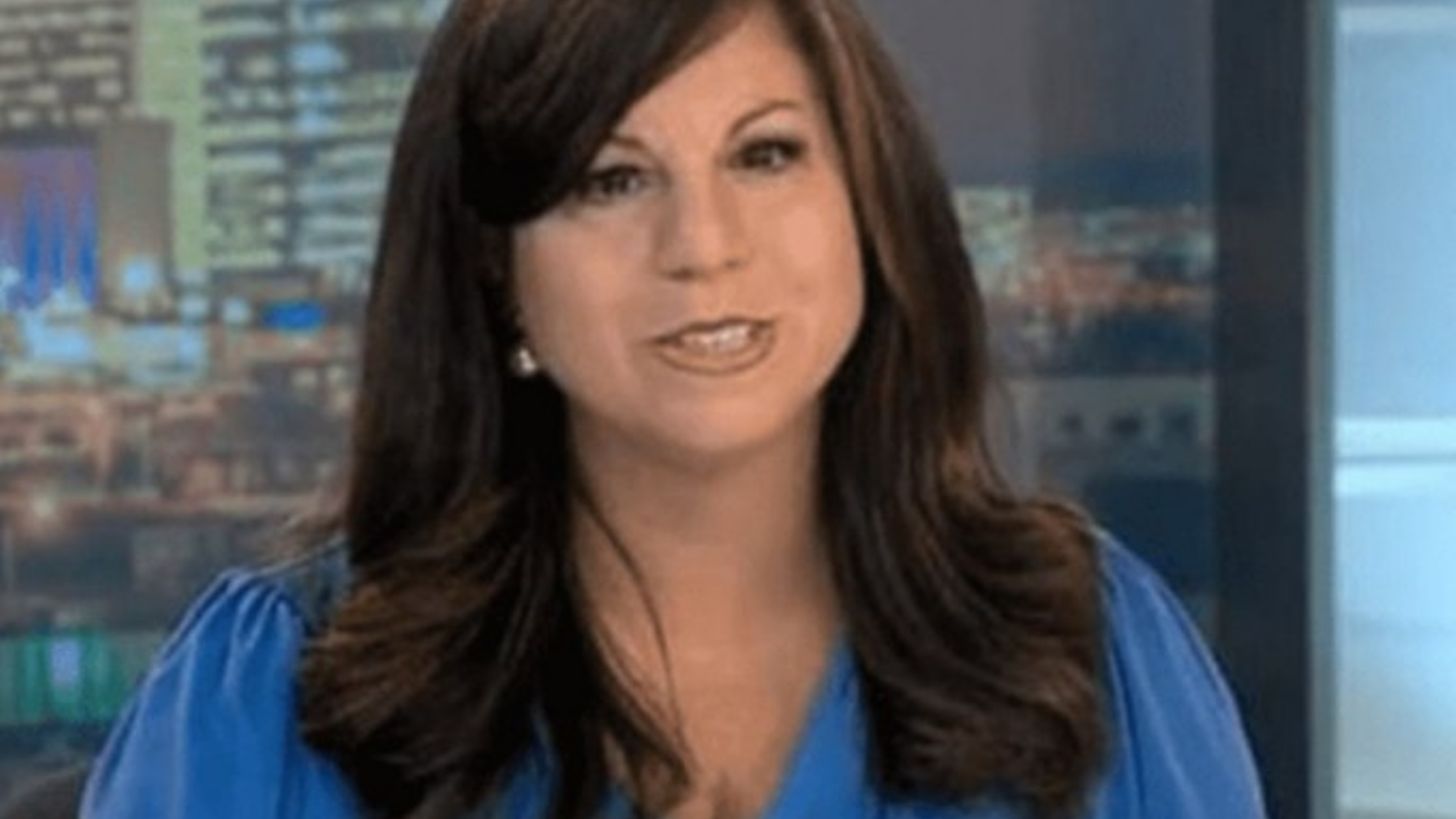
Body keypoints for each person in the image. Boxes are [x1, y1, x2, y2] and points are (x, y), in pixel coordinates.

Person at [80, 0, 1267, 817]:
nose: (702, 245)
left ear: (869, 205)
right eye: (611, 179)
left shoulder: (1092, 652)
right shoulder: (271, 694)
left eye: (765, 156)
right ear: (496, 266)